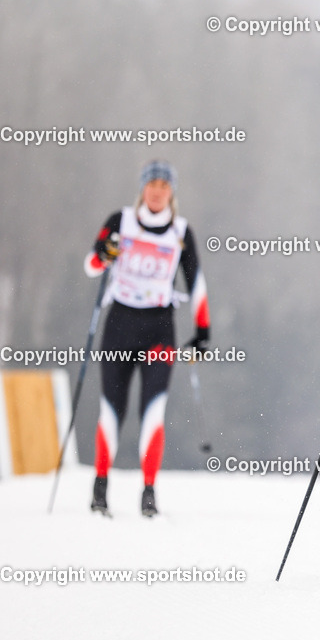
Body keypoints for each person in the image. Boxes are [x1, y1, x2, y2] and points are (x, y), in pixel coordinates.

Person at [83, 160, 210, 517]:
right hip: (119, 326)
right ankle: (100, 489)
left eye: (164, 186)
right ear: (142, 189)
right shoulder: (119, 222)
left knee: (152, 411)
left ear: (171, 192)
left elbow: (195, 282)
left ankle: (149, 493)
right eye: (152, 185)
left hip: (159, 332)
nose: (157, 192)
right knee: (111, 409)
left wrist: (202, 332)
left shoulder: (181, 231)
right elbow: (91, 265)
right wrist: (103, 254)